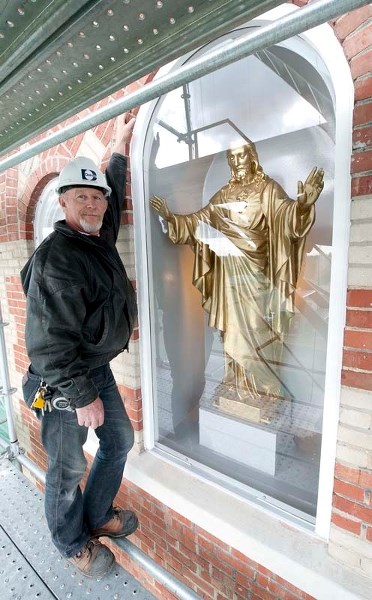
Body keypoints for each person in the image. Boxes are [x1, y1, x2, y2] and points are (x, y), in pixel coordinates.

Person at [20, 113, 138, 578]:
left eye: (97, 198)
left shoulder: (94, 237)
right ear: (63, 202)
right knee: (68, 469)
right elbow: (47, 344)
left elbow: (113, 190)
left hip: (94, 367)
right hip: (64, 379)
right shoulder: (59, 258)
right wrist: (83, 395)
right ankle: (71, 543)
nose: (93, 205)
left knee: (119, 440)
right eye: (82, 197)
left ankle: (97, 515)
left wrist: (122, 148)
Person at [150, 141, 324, 412]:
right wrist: (170, 218)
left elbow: (288, 217)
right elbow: (199, 221)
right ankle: (236, 385)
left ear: (253, 157)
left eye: (243, 154)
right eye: (233, 157)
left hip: (257, 278)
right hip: (228, 280)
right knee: (231, 334)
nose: (239, 160)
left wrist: (303, 206)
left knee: (257, 332)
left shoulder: (267, 189)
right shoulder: (223, 195)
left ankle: (265, 391)